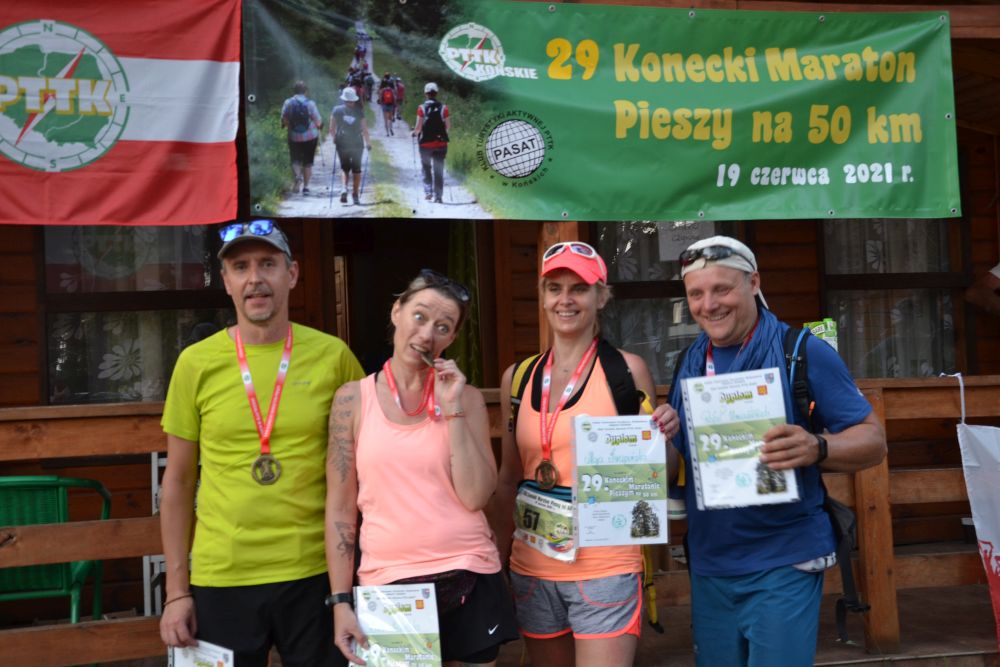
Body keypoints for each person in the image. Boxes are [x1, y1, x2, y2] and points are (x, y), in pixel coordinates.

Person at [655, 235, 887, 667]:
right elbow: (677, 468)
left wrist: (817, 446)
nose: (709, 305)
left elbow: (874, 441)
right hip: (710, 564)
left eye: (722, 289)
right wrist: (662, 439)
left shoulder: (801, 351)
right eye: (696, 294)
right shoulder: (690, 359)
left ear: (754, 282)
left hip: (784, 561)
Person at [159, 220, 365, 666]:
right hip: (221, 575)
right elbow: (176, 482)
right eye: (241, 267)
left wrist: (350, 584)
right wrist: (176, 592)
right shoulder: (195, 364)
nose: (255, 278)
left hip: (314, 574)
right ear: (226, 281)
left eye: (268, 264)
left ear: (292, 274)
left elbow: (365, 467)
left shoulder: (334, 357)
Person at [491, 241, 676, 667]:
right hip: (533, 566)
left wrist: (663, 438)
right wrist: (496, 562)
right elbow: (508, 478)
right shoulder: (517, 379)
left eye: (579, 288)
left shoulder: (626, 371)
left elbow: (659, 477)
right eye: (554, 288)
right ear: (542, 297)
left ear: (601, 297)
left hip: (607, 565)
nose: (566, 299)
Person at [327, 269, 519, 666]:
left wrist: (453, 409)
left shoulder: (466, 398)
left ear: (451, 339)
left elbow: (475, 496)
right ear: (396, 312)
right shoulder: (352, 400)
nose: (427, 333)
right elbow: (341, 508)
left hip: (469, 571)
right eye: (419, 316)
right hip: (389, 583)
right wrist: (341, 600)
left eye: (443, 326)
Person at [329, 87, 371, 206]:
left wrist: (334, 138)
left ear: (344, 99)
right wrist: (368, 143)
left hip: (342, 142)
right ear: (354, 99)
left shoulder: (336, 110)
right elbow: (365, 130)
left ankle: (344, 188)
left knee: (344, 168)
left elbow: (331, 129)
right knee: (357, 169)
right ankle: (355, 195)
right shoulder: (359, 111)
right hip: (357, 143)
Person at [280, 81, 323, 194]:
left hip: (294, 137)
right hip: (310, 137)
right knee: (308, 162)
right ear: (306, 91)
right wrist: (320, 126)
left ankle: (298, 177)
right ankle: (306, 187)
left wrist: (288, 126)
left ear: (293, 91)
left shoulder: (288, 102)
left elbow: (284, 120)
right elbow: (318, 121)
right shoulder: (310, 103)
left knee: (295, 159)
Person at [412, 82, 450, 204]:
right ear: (436, 93)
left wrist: (414, 133)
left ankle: (428, 192)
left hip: (425, 144)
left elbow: (418, 128)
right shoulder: (444, 108)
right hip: (440, 144)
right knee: (439, 170)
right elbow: (448, 127)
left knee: (426, 167)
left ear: (425, 94)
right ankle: (438, 196)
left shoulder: (421, 108)